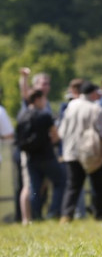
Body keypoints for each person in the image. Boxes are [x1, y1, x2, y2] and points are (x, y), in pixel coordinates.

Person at [58, 82, 102, 222]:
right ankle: (99, 214)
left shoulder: (70, 106)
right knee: (98, 185)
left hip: (70, 152)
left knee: (73, 186)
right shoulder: (95, 108)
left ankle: (66, 215)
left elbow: (61, 130)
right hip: (90, 152)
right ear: (92, 93)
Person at [17, 88, 66, 220]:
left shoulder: (22, 116)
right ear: (38, 99)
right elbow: (55, 136)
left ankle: (35, 215)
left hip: (31, 158)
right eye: (44, 99)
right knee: (60, 181)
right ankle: (53, 211)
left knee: (34, 188)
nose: (45, 102)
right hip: (47, 156)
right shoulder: (44, 115)